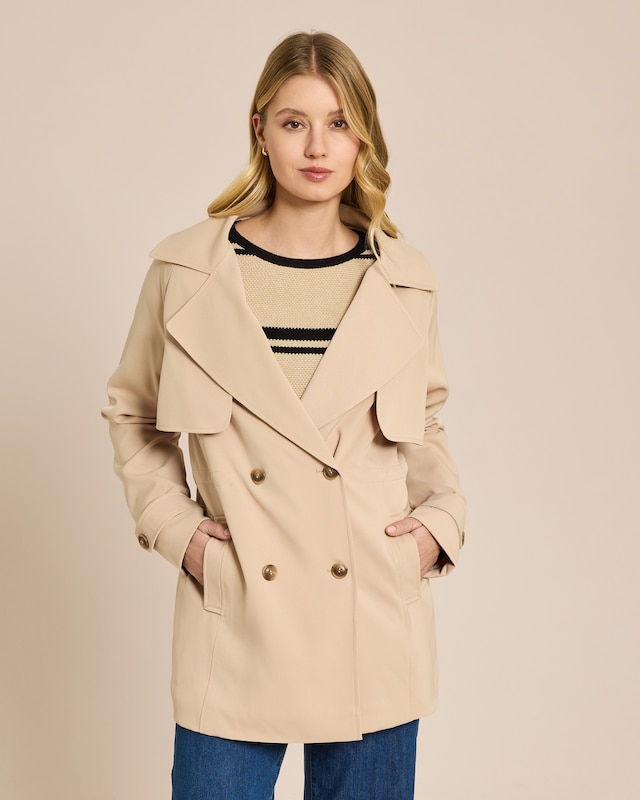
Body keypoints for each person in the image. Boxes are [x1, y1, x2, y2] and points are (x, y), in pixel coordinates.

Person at [102, 31, 466, 800]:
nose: (317, 146)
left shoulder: (406, 280)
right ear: (260, 131)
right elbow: (133, 412)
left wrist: (442, 524)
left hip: (372, 620)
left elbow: (426, 421)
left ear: (363, 137)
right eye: (295, 122)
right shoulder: (187, 272)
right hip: (238, 616)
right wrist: (175, 529)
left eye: (339, 123)